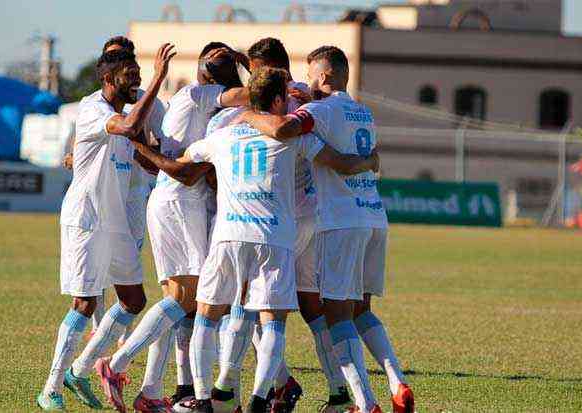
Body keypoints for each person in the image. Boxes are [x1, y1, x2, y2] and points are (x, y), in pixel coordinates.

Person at [134, 66, 379, 413]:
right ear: (279, 99)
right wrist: (369, 159)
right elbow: (341, 164)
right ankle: (258, 399)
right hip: (274, 239)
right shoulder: (293, 138)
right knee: (272, 321)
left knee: (207, 314)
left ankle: (205, 398)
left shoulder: (222, 135)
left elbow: (182, 168)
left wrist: (142, 149)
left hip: (228, 236)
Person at [236, 46, 415, 413]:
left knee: (336, 316)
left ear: (320, 76)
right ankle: (396, 382)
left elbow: (286, 128)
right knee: (361, 309)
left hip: (340, 221)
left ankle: (364, 404)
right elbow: (368, 158)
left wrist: (250, 114)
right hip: (373, 216)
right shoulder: (363, 111)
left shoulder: (318, 111)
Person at [92, 42, 249, 413]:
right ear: (212, 72)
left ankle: (150, 391)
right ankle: (116, 366)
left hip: (176, 200)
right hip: (181, 202)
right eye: (225, 73)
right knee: (187, 300)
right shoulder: (198, 93)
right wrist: (253, 72)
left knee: (178, 302)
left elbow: (163, 154)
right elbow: (251, 95)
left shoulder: (194, 102)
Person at [204, 37, 349, 413]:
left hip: (274, 222)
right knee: (309, 305)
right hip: (310, 215)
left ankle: (233, 391)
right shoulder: (307, 99)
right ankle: (336, 390)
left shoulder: (265, 112)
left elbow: (277, 129)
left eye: (254, 72)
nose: (252, 80)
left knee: (247, 303)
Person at [35, 44, 176, 412]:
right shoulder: (93, 108)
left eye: (140, 78)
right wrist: (160, 77)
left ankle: (80, 370)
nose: (137, 85)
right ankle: (50, 388)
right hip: (86, 219)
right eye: (131, 79)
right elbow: (127, 128)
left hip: (117, 222)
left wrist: (157, 158)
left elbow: (142, 155)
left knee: (134, 300)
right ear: (109, 79)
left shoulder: (128, 111)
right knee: (85, 303)